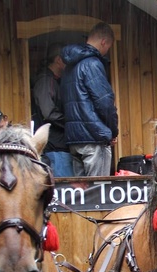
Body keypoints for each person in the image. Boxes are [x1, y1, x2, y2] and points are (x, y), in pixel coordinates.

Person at [61, 22, 119, 176]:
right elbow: (105, 103)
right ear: (103, 42)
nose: (106, 52)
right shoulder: (92, 64)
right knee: (97, 193)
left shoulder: (69, 67)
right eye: (108, 47)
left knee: (82, 196)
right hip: (94, 139)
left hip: (75, 141)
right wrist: (112, 131)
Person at [32, 43, 73, 177]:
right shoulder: (45, 80)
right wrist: (70, 123)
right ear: (58, 60)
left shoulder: (54, 81)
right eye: (67, 59)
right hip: (54, 148)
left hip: (59, 146)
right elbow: (48, 113)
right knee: (64, 191)